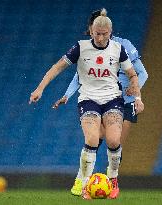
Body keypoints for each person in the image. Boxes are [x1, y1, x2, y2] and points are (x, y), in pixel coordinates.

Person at [29, 11, 141, 199]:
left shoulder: (118, 49)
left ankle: (113, 179)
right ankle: (86, 184)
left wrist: (135, 88)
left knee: (114, 141)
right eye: (97, 33)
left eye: (104, 33)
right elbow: (58, 67)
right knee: (91, 139)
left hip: (113, 99)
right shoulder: (79, 48)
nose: (100, 37)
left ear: (110, 32)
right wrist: (40, 88)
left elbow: (132, 74)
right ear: (91, 31)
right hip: (88, 99)